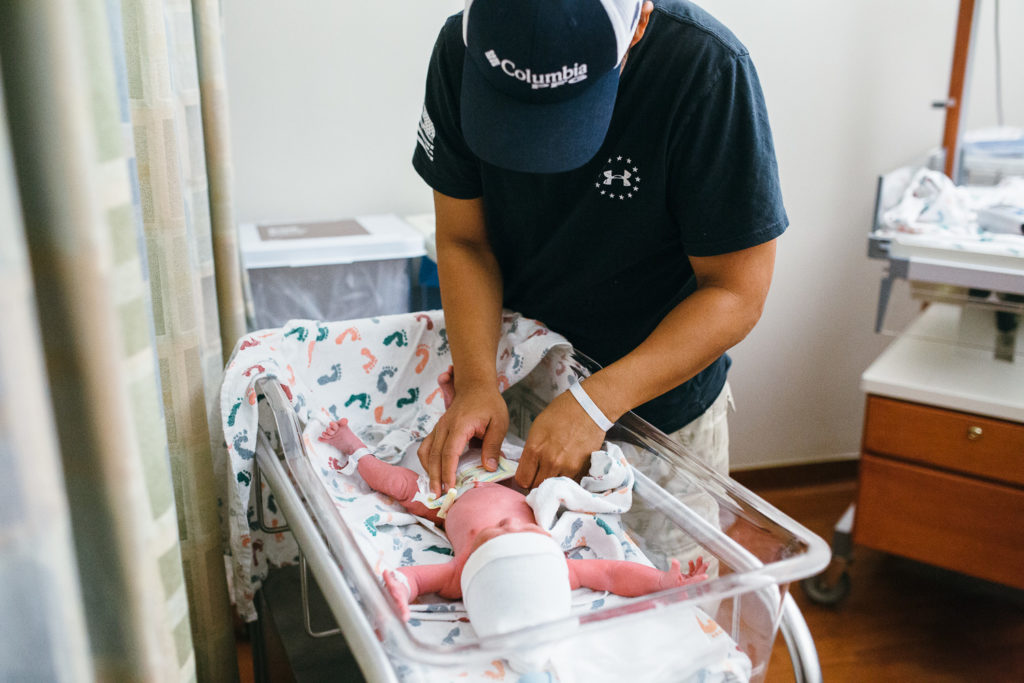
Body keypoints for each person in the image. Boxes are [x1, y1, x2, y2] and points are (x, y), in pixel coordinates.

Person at [413, 0, 787, 496]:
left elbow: (737, 292)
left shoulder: (705, 70)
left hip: (656, 410)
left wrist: (597, 401)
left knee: (665, 573)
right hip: (518, 377)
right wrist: (479, 382)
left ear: (638, 26)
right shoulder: (462, 52)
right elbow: (466, 240)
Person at [316, 413, 708, 635]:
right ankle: (458, 406)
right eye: (523, 532)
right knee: (496, 449)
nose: (509, 526)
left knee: (398, 486)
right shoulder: (562, 570)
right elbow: (611, 572)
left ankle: (353, 447)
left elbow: (411, 579)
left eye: (495, 537)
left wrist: (397, 593)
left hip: (443, 495)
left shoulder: (457, 575)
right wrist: (660, 582)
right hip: (501, 475)